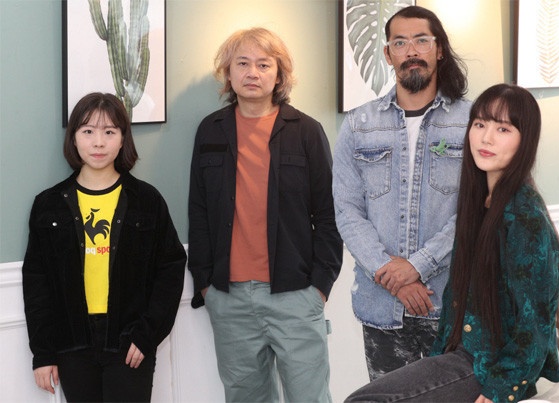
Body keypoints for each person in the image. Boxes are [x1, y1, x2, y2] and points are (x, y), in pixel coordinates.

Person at [345, 83, 559, 402]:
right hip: (460, 356)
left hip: (488, 368)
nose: (486, 138)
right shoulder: (479, 203)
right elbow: (455, 301)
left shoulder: (524, 215)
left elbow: (536, 321)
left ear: (525, 140)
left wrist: (501, 390)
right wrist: (437, 357)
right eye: (480, 124)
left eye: (503, 129)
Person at [188, 27, 343, 402]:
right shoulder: (210, 130)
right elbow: (199, 211)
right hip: (229, 298)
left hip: (295, 294)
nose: (252, 73)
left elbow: (330, 214)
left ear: (279, 74)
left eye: (263, 64)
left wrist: (319, 287)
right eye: (242, 63)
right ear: (228, 73)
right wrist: (206, 284)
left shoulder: (306, 132)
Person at [333, 5, 471, 380]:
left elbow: (474, 211)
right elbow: (347, 211)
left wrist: (416, 266)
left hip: (451, 306)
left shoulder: (472, 122)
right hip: (382, 308)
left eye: (421, 41)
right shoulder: (358, 125)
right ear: (387, 54)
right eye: (400, 42)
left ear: (439, 49)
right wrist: (389, 272)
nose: (411, 51)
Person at [22, 93, 187, 402]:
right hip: (72, 345)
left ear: (123, 139)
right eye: (88, 131)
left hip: (129, 343)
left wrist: (147, 335)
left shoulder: (147, 201)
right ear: (74, 138)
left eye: (109, 132)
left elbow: (170, 270)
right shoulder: (48, 205)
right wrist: (43, 353)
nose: (98, 142)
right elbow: (37, 285)